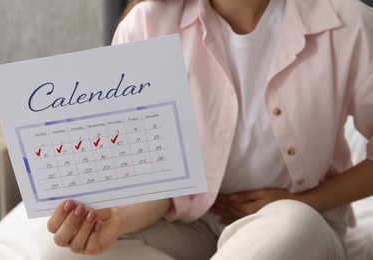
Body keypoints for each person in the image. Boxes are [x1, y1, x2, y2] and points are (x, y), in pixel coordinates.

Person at [38, 0, 373, 259]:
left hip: (294, 226)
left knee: (292, 225)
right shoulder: (148, 23)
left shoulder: (347, 21)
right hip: (189, 226)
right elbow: (157, 185)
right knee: (60, 249)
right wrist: (115, 220)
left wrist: (302, 200)